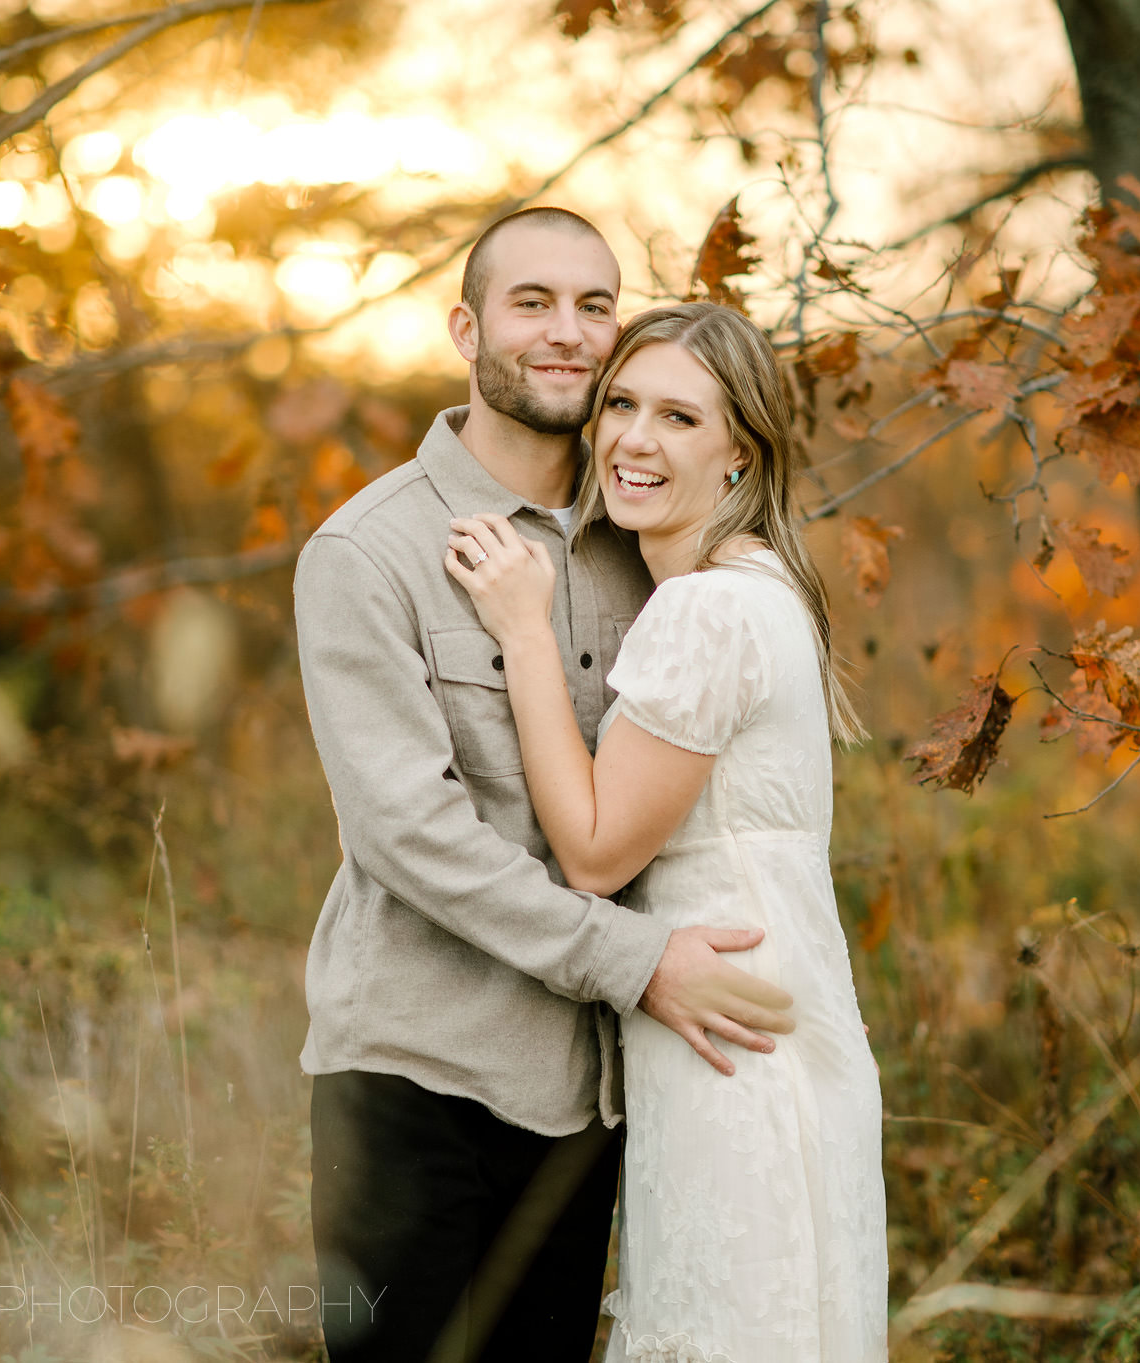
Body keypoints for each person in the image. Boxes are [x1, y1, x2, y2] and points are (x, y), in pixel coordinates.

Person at [292, 209, 798, 1363]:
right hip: (414, 1083)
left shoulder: (642, 530)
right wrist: (636, 964)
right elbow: (406, 835)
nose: (568, 333)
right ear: (466, 328)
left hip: (591, 1101)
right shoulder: (366, 553)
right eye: (532, 303)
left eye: (593, 304)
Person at [445, 301, 889, 1360]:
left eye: (680, 419)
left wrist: (523, 633)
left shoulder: (702, 613)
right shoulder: (769, 588)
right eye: (621, 405)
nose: (634, 440)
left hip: (723, 1040)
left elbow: (596, 853)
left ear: (740, 452)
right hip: (778, 1029)